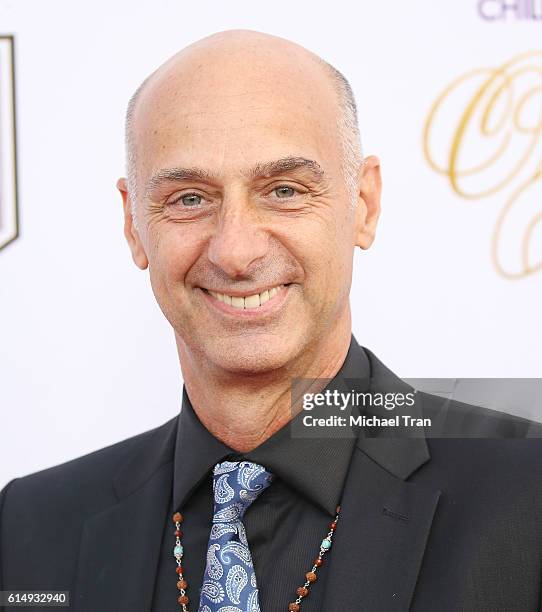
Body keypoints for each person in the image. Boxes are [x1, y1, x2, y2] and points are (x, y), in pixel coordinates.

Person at [1, 29, 542, 612]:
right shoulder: (32, 528)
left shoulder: (528, 491)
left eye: (283, 190)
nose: (235, 251)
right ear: (135, 226)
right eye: (189, 198)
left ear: (363, 205)